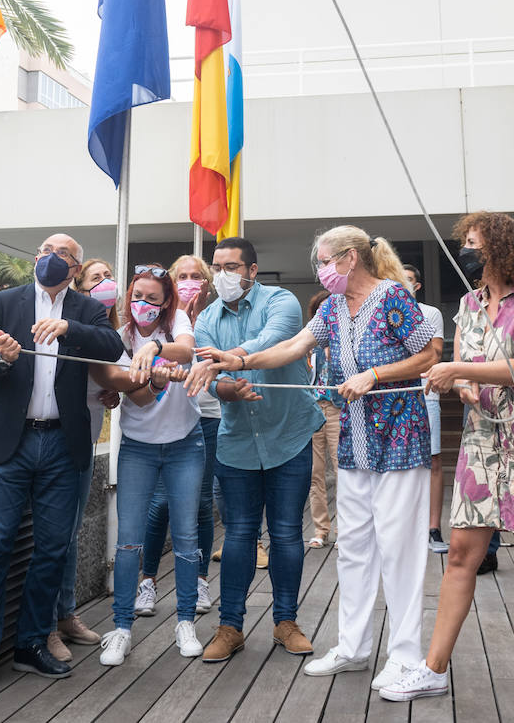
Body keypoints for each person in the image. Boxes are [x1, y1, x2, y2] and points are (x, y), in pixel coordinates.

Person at [202, 228, 436, 693]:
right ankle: (353, 646)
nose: (321, 271)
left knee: (399, 549)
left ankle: (405, 656)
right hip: (354, 439)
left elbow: (430, 353)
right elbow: (292, 348)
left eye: (326, 261)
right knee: (354, 547)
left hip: (400, 436)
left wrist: (374, 374)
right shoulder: (330, 308)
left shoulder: (393, 296)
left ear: (351, 258)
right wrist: (238, 362)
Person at [381, 212, 514, 719]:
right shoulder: (470, 304)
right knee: (460, 554)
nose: (467, 252)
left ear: (502, 247)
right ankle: (433, 668)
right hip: (483, 436)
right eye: (465, 244)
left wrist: (455, 368)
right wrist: (463, 384)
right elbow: (469, 371)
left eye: (475, 243)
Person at [0, 233, 124, 699]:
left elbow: (111, 346)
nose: (50, 259)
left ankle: (30, 644)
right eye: (44, 251)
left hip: (62, 445)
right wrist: (2, 360)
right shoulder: (6, 302)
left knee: (53, 549)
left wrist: (68, 328)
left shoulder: (86, 308)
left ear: (75, 269)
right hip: (9, 445)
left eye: (61, 254)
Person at [186, 236, 323, 665]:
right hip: (238, 441)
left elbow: (274, 340)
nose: (222, 275)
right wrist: (227, 388)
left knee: (286, 533)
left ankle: (287, 623)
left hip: (289, 435)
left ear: (251, 271)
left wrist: (231, 359)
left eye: (231, 267)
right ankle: (230, 627)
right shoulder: (207, 319)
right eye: (217, 267)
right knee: (239, 535)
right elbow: (212, 382)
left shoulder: (281, 301)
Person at [94, 265, 205, 667]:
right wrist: (155, 382)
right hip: (138, 448)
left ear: (166, 302)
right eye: (137, 296)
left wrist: (155, 349)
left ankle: (186, 622)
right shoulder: (120, 336)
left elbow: (187, 351)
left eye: (153, 298)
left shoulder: (177, 324)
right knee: (128, 540)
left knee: (187, 537)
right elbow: (138, 400)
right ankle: (121, 628)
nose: (143, 304)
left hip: (185, 444)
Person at [135, 255, 221, 616]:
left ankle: (199, 580)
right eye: (182, 276)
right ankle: (148, 581)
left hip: (208, 416)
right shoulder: (164, 318)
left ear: (207, 283)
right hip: (166, 418)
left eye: (196, 276)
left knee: (201, 503)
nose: (189, 282)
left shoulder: (216, 317)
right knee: (159, 504)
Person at [46, 259, 121, 663]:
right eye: (97, 277)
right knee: (55, 535)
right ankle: (48, 623)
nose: (106, 282)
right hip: (52, 437)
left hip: (85, 439)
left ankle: (66, 614)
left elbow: (110, 377)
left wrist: (114, 394)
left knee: (71, 532)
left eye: (109, 276)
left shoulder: (110, 332)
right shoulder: (68, 324)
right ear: (79, 285)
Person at [402, 265, 447, 552]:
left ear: (417, 286)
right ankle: (406, 529)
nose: (401, 283)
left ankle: (433, 528)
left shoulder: (429, 313)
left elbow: (435, 355)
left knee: (433, 460)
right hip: (392, 395)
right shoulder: (383, 311)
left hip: (426, 393)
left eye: (407, 280)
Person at [306, 289, 342, 549]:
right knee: (314, 473)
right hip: (313, 409)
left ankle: (344, 529)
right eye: (320, 310)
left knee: (343, 472)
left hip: (338, 409)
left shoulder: (345, 341)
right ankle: (321, 529)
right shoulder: (309, 345)